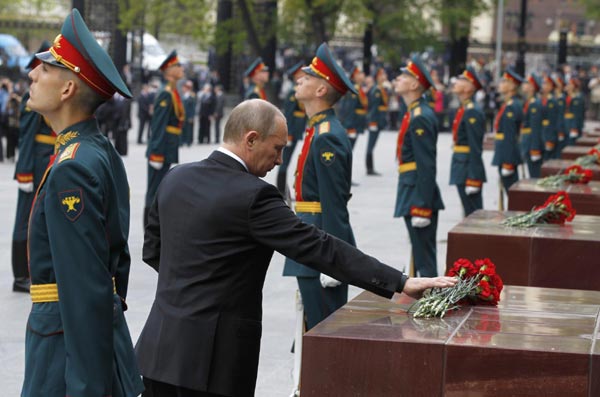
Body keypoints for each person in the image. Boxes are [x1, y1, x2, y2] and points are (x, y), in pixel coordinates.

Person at [135, 98, 457, 397]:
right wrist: (400, 282)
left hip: (158, 351)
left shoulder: (175, 178)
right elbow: (320, 247)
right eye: (276, 149)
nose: (278, 160)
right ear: (250, 139)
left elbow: (153, 250)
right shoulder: (254, 197)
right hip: (214, 363)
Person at [22, 9, 143, 396]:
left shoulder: (73, 168)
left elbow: (85, 286)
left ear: (68, 89)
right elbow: (113, 269)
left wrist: (87, 386)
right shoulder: (95, 151)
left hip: (63, 348)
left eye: (45, 68)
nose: (32, 74)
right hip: (83, 339)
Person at [281, 43, 357, 330]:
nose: (300, 80)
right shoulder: (317, 128)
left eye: (309, 77)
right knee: (311, 327)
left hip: (320, 242)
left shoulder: (327, 136)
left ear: (321, 90)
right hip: (311, 235)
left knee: (322, 328)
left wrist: (334, 259)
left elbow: (334, 203)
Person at [392, 55, 444, 277]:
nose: (398, 79)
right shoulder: (414, 112)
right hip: (411, 188)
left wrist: (422, 204)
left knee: (424, 259)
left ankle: (433, 304)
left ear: (414, 85)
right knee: (420, 254)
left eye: (404, 76)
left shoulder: (420, 116)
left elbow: (426, 164)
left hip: (417, 193)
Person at [11, 40, 53, 293]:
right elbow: (26, 138)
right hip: (34, 162)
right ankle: (19, 276)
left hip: (47, 158)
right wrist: (24, 172)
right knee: (24, 220)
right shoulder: (31, 96)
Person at [144, 50, 185, 226]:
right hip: (160, 149)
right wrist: (156, 152)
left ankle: (155, 226)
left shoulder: (172, 92)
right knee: (154, 191)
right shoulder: (165, 93)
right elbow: (158, 125)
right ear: (168, 70)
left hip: (168, 146)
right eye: (177, 66)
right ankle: (149, 226)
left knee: (160, 189)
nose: (181, 68)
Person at [449, 66, 487, 217]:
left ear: (469, 87)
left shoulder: (472, 111)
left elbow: (475, 147)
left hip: (467, 168)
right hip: (461, 165)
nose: (456, 82)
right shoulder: (465, 108)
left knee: (474, 214)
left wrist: (474, 177)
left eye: (461, 80)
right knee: (468, 212)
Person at [276, 61, 306, 196]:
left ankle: (281, 189)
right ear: (296, 75)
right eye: (302, 73)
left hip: (296, 131)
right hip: (291, 132)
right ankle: (280, 190)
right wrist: (287, 134)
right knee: (285, 161)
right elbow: (288, 115)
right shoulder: (292, 93)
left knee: (287, 161)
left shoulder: (298, 91)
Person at [492, 69, 523, 196]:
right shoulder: (507, 104)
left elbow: (510, 135)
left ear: (511, 86)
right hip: (503, 152)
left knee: (512, 194)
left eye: (504, 81)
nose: (500, 84)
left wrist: (508, 162)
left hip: (507, 155)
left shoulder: (512, 106)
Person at [338, 65, 368, 150]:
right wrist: (349, 127)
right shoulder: (353, 89)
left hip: (357, 123)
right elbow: (349, 108)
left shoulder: (359, 88)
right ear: (354, 76)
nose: (363, 75)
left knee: (350, 149)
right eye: (360, 73)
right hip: (353, 124)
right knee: (348, 149)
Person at [520, 73, 543, 178]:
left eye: (527, 83)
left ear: (532, 87)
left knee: (534, 174)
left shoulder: (534, 104)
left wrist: (535, 148)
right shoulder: (528, 102)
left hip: (532, 143)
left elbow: (535, 127)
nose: (524, 85)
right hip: (527, 141)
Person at [366, 67, 388, 175]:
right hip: (375, 120)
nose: (385, 76)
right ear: (378, 77)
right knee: (371, 144)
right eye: (382, 74)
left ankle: (370, 167)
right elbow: (374, 108)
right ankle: (369, 168)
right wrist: (372, 122)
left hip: (379, 120)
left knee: (372, 145)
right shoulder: (376, 90)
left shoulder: (381, 89)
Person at [540, 73, 558, 160]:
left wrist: (550, 139)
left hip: (548, 134)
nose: (544, 86)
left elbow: (553, 121)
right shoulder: (539, 100)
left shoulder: (552, 101)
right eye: (543, 83)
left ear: (551, 87)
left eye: (547, 84)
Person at [565, 77, 585, 146]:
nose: (567, 86)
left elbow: (578, 114)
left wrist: (575, 126)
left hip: (573, 124)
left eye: (570, 84)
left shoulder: (577, 98)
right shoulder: (565, 97)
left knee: (572, 144)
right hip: (565, 123)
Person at [553, 74, 567, 156]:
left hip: (559, 126)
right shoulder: (554, 98)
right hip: (552, 127)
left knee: (558, 149)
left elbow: (561, 115)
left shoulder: (562, 98)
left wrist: (561, 129)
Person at [181, 79, 196, 146]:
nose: (183, 89)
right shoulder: (182, 96)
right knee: (183, 128)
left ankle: (188, 141)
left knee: (188, 129)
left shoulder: (191, 96)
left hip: (188, 115)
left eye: (184, 88)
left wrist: (191, 116)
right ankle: (183, 140)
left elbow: (192, 107)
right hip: (183, 115)